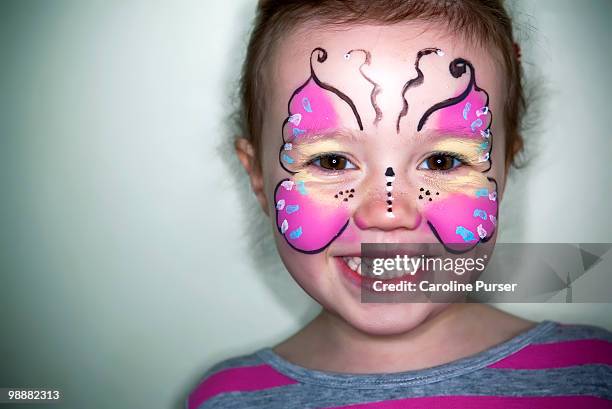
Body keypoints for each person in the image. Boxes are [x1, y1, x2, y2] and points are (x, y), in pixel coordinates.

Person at [187, 1, 612, 407]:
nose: (388, 213)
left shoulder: (595, 376)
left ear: (503, 170)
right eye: (332, 161)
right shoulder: (229, 399)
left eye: (442, 161)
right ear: (258, 180)